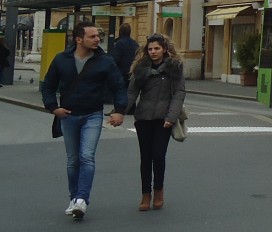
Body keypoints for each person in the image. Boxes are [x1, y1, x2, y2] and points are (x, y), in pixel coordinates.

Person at [40, 22, 127, 220]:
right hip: (68, 116)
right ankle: (73, 198)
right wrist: (54, 108)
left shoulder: (105, 61)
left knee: (86, 156)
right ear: (78, 39)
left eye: (98, 36)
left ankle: (81, 199)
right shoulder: (62, 59)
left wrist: (119, 110)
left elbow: (119, 86)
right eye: (92, 36)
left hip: (93, 114)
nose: (97, 39)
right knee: (73, 160)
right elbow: (48, 86)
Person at [124, 33, 186, 211]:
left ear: (164, 49)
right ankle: (145, 194)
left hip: (163, 118)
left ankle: (158, 191)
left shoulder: (174, 67)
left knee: (158, 156)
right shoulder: (141, 68)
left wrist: (171, 117)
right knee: (145, 157)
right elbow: (132, 92)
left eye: (157, 48)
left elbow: (179, 93)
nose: (153, 52)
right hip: (143, 117)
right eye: (150, 49)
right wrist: (121, 111)